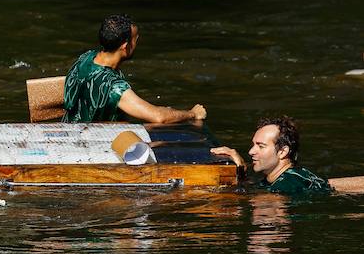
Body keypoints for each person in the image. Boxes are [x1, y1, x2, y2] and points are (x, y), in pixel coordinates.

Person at [63, 14, 207, 124]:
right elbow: (159, 117)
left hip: (71, 130)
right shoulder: (113, 87)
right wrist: (192, 113)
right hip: (94, 144)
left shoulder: (85, 58)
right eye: (135, 41)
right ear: (125, 47)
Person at [211, 116, 333, 196]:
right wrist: (240, 169)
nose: (251, 151)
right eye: (253, 144)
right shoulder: (278, 178)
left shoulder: (288, 183)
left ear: (282, 152)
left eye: (261, 146)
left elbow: (263, 202)